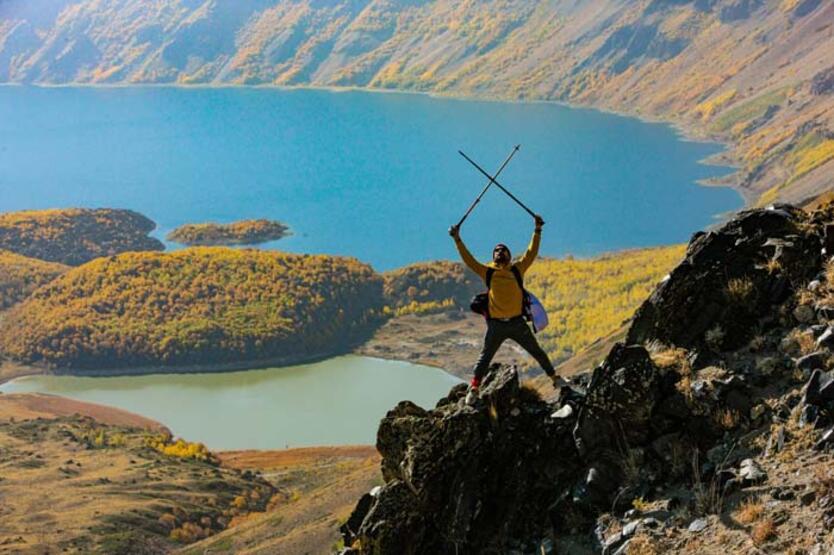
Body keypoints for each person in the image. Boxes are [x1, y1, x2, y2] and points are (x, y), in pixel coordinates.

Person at [449, 214, 568, 404]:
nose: (499, 252)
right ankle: (474, 389)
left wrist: (537, 230)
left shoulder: (517, 270)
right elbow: (469, 260)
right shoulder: (488, 272)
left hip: (516, 323)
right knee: (484, 358)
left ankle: (556, 379)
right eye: (496, 250)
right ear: (493, 257)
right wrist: (457, 239)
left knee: (537, 351)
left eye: (502, 250)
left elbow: (531, 252)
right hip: (497, 326)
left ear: (509, 256)